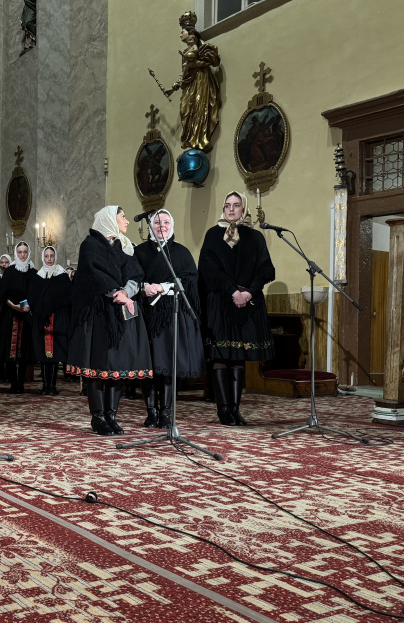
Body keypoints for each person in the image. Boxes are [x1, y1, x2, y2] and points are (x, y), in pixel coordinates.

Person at [67, 206, 153, 435]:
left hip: (121, 312)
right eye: (122, 216)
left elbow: (136, 274)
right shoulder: (90, 245)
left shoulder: (125, 245)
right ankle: (98, 417)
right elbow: (92, 276)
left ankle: (111, 416)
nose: (126, 220)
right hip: (98, 314)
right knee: (98, 367)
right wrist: (115, 292)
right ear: (109, 220)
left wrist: (126, 292)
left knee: (116, 367)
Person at [198, 191, 275, 426]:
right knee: (222, 355)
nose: (231, 209)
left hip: (247, 304)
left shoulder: (255, 237)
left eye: (237, 205)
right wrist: (232, 291)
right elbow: (208, 269)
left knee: (239, 356)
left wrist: (249, 292)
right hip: (221, 303)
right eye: (228, 205)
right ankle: (223, 410)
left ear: (244, 209)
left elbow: (266, 269)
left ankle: (235, 409)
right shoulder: (213, 235)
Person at [135, 211, 205, 428]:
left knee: (166, 366)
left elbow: (191, 282)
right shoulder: (139, 252)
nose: (161, 226)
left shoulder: (181, 252)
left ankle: (165, 412)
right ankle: (151, 411)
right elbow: (129, 277)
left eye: (166, 222)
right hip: (146, 315)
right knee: (148, 366)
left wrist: (166, 287)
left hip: (170, 315)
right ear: (150, 226)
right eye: (157, 222)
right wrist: (143, 287)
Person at [163, 12, 221, 153]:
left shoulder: (200, 49)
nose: (180, 35)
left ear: (190, 34)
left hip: (200, 81)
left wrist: (195, 64)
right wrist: (174, 87)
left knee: (199, 108)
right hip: (188, 84)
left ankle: (199, 138)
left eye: (182, 32)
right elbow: (185, 73)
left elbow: (209, 62)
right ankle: (190, 138)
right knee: (185, 110)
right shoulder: (185, 52)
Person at [27, 246, 72, 395]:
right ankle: (44, 385)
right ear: (43, 258)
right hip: (41, 320)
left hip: (58, 319)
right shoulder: (38, 276)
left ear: (55, 257)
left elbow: (67, 297)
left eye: (52, 256)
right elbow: (32, 298)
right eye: (46, 256)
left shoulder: (62, 275)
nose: (49, 259)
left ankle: (52, 386)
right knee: (43, 354)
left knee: (55, 355)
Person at [0, 241, 36, 393]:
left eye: (25, 252)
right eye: (20, 252)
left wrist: (29, 306)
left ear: (29, 253)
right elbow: (1, 295)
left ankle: (21, 383)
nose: (22, 255)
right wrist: (14, 306)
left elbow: (37, 294)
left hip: (27, 318)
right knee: (11, 351)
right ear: (16, 253)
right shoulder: (10, 271)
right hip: (11, 315)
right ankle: (13, 383)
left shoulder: (34, 273)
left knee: (24, 352)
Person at [0, 253, 12, 382]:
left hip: (8, 314)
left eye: (6, 263)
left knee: (7, 346)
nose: (4, 265)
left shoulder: (12, 276)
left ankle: (8, 373)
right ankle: (1, 374)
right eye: (2, 262)